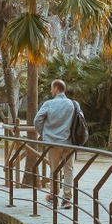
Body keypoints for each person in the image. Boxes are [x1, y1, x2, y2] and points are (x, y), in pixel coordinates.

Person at [33, 79, 78, 207]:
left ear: (56, 89)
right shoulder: (72, 104)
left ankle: (54, 196)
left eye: (52, 88)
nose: (51, 90)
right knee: (69, 170)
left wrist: (43, 134)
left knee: (54, 169)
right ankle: (67, 199)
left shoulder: (49, 104)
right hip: (68, 142)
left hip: (53, 142)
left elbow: (37, 120)